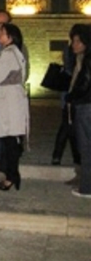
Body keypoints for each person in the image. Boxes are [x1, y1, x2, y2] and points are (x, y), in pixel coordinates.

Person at [0, 23, 29, 191]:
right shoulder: (14, 52)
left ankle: (12, 176)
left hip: (8, 103)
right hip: (11, 101)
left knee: (10, 140)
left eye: (2, 33)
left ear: (10, 36)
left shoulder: (8, 54)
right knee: (10, 140)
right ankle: (12, 174)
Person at [64, 24, 91, 198]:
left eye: (77, 41)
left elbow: (84, 84)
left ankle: (87, 188)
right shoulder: (80, 59)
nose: (73, 45)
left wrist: (71, 96)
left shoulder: (87, 60)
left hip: (86, 106)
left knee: (86, 147)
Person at [51, 37, 78, 167]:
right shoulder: (74, 52)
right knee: (69, 126)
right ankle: (73, 157)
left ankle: (60, 156)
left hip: (69, 95)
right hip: (72, 96)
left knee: (69, 126)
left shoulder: (69, 50)